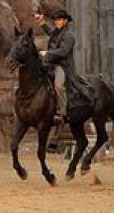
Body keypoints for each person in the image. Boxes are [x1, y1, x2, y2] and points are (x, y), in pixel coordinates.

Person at [34, 9, 95, 148]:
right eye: (56, 20)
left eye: (59, 20)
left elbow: (63, 51)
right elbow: (50, 32)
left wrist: (47, 53)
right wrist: (41, 21)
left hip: (63, 66)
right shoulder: (56, 32)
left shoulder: (69, 36)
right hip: (51, 64)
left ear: (65, 21)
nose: (57, 22)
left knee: (58, 86)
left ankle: (62, 112)